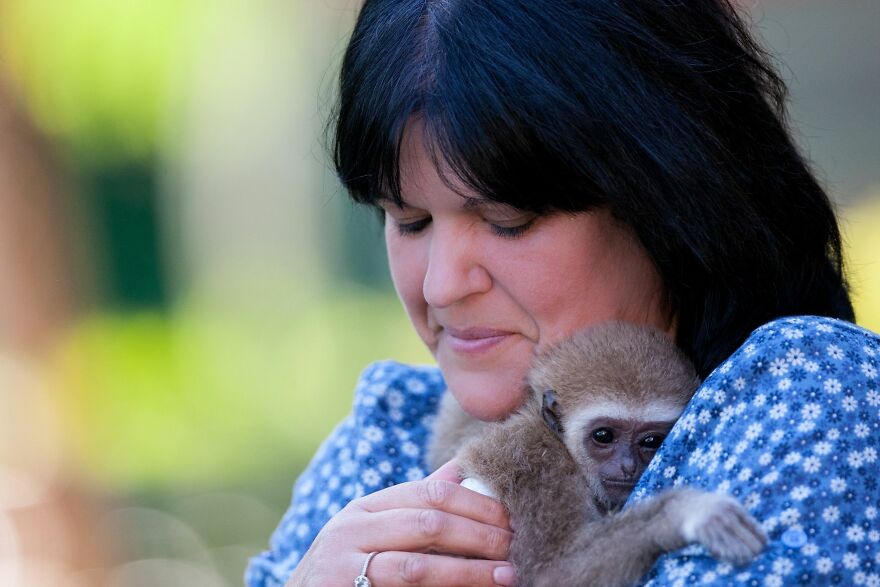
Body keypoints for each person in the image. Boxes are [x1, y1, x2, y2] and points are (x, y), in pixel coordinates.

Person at [247, 1, 878, 585]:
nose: (440, 285)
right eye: (408, 221)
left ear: (664, 204)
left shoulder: (805, 392)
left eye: (507, 222)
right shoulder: (384, 434)